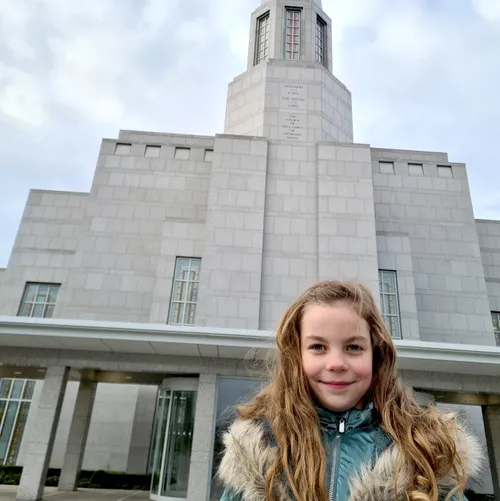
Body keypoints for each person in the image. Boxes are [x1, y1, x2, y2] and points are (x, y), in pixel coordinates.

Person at [217, 281, 483, 501]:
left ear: (375, 355)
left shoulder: (426, 448)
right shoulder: (258, 451)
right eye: (318, 347)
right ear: (296, 356)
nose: (336, 364)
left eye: (353, 347)